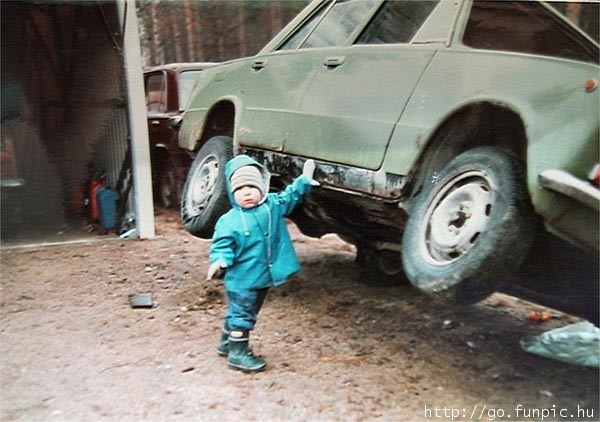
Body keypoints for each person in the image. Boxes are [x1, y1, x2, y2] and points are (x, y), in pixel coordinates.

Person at [206, 154, 318, 372]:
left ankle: (226, 342)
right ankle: (238, 354)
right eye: (239, 189)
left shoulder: (272, 207)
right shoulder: (229, 221)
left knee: (244, 311)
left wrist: (303, 182)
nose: (246, 192)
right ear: (231, 193)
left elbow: (289, 197)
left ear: (262, 187)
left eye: (251, 186)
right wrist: (220, 260)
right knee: (242, 315)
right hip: (242, 280)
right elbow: (222, 245)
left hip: (262, 277)